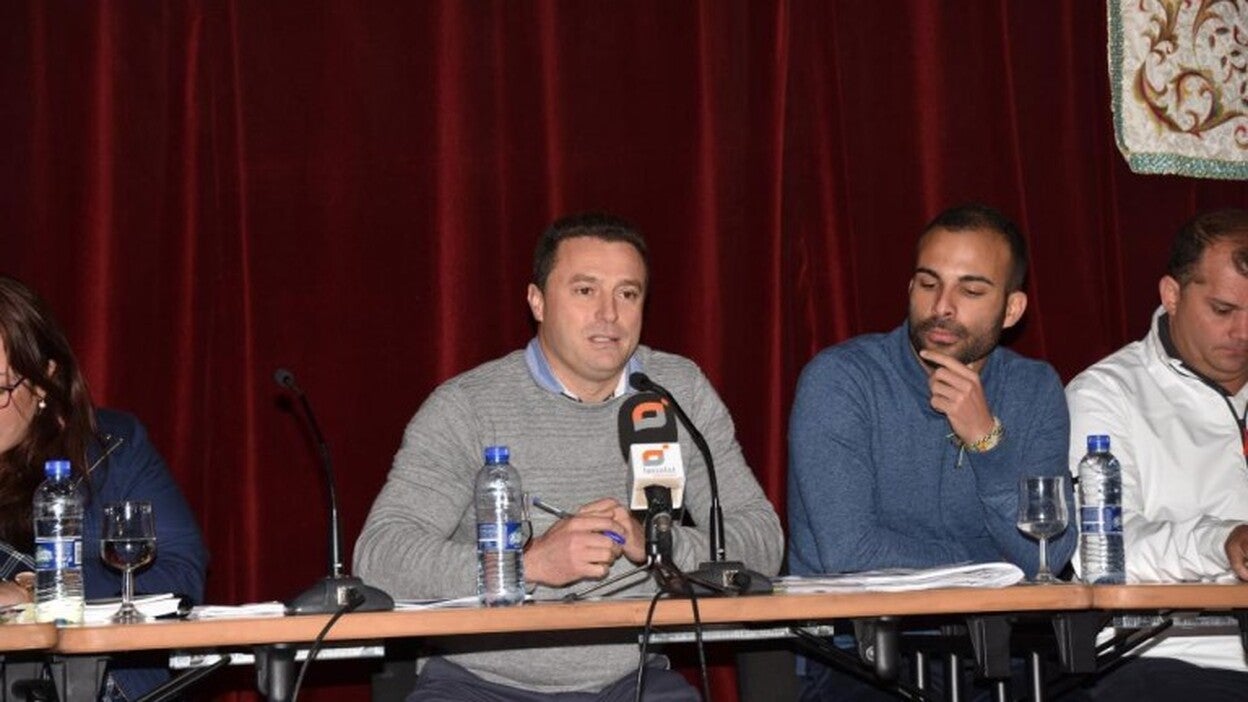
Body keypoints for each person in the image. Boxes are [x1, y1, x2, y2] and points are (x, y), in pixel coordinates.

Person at [354, 212, 784, 700]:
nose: (609, 314)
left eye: (628, 294)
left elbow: (763, 540)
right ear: (537, 301)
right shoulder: (468, 406)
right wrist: (527, 566)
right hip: (480, 684)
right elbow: (381, 556)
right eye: (585, 290)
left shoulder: (676, 392)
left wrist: (657, 546)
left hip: (630, 681)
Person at [787, 203, 1078, 700]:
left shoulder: (1034, 389)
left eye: (971, 290)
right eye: (928, 283)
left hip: (1002, 651)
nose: (942, 306)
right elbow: (852, 553)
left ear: (1012, 309)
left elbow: (1047, 552)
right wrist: (993, 569)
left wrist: (986, 441)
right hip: (863, 655)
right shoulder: (842, 380)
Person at [1065, 209, 1248, 699]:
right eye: (1223, 310)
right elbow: (1104, 551)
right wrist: (1223, 542)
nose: (1244, 332)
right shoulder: (1107, 394)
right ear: (1171, 295)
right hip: (1170, 656)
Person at [0, 276, 208, 700]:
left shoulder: (111, 450)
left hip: (91, 683)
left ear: (43, 380)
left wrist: (32, 592)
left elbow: (180, 573)